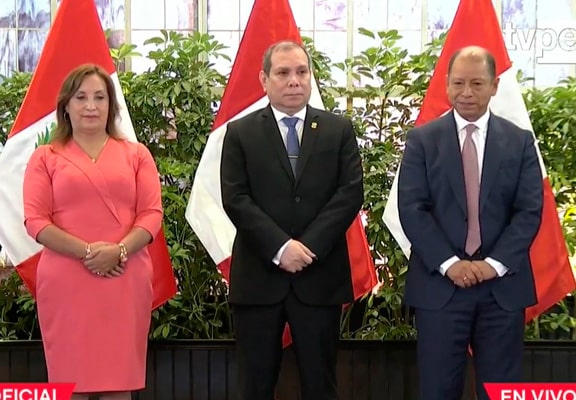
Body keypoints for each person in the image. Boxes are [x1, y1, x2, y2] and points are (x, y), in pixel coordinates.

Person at [397, 46, 544, 400]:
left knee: (501, 391)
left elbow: (528, 211)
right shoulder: (422, 140)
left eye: (477, 83)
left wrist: (493, 265)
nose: (466, 92)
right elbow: (412, 209)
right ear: (447, 84)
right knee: (437, 390)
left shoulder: (519, 141)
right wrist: (451, 264)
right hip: (440, 287)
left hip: (502, 289)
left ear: (494, 86)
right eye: (458, 83)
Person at [220, 40, 364, 400]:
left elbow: (349, 194)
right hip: (259, 281)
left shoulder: (338, 129)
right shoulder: (240, 133)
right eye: (283, 73)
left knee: (320, 386)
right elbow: (235, 198)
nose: (294, 81)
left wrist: (308, 247)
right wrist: (281, 247)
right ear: (264, 79)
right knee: (255, 388)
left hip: (319, 279)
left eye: (301, 72)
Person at [23, 64, 163, 400]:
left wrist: (119, 252)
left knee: (119, 383)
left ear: (111, 105)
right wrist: (88, 253)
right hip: (67, 281)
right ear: (66, 106)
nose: (90, 106)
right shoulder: (45, 157)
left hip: (124, 276)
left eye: (100, 97)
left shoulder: (137, 155)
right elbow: (36, 221)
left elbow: (151, 214)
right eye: (81, 97)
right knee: (70, 384)